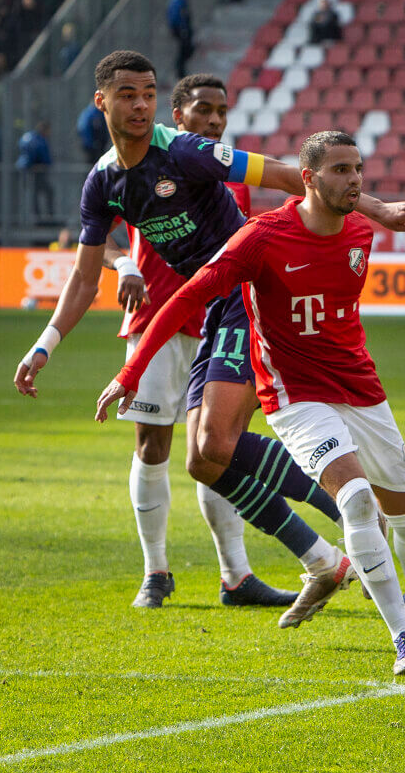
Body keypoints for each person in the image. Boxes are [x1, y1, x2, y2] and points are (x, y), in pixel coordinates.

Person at [15, 51, 405, 620]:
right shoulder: (102, 184)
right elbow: (87, 276)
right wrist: (44, 347)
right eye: (128, 95)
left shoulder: (185, 150)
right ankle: (324, 551)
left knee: (214, 445)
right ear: (101, 102)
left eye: (149, 93)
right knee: (203, 461)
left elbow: (288, 175)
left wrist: (377, 209)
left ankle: (341, 502)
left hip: (242, 296)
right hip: (207, 306)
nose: (140, 105)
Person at [96, 131, 405, 675]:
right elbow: (188, 295)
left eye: (358, 169)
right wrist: (131, 372)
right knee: (358, 501)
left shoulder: (360, 236)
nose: (355, 181)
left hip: (361, 389)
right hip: (294, 395)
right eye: (341, 170)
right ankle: (403, 636)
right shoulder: (261, 238)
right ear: (309, 178)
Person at [102, 73, 301, 608]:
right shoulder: (141, 163)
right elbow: (95, 235)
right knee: (153, 446)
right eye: (204, 111)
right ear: (177, 116)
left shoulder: (225, 172)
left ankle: (236, 575)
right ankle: (155, 572)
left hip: (224, 319)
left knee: (217, 448)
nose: (215, 122)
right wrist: (122, 261)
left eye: (222, 113)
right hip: (155, 321)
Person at [15, 120, 54, 218]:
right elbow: (44, 157)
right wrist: (45, 164)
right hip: (35, 171)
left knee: (33, 193)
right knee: (46, 191)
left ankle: (35, 216)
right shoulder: (39, 140)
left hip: (23, 169)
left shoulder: (27, 136)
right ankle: (45, 216)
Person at [166, 0, 194, 79]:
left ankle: (181, 70)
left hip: (182, 28)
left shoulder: (181, 0)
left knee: (187, 49)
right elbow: (176, 16)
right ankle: (180, 72)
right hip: (179, 28)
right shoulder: (176, 1)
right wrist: (181, 28)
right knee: (184, 49)